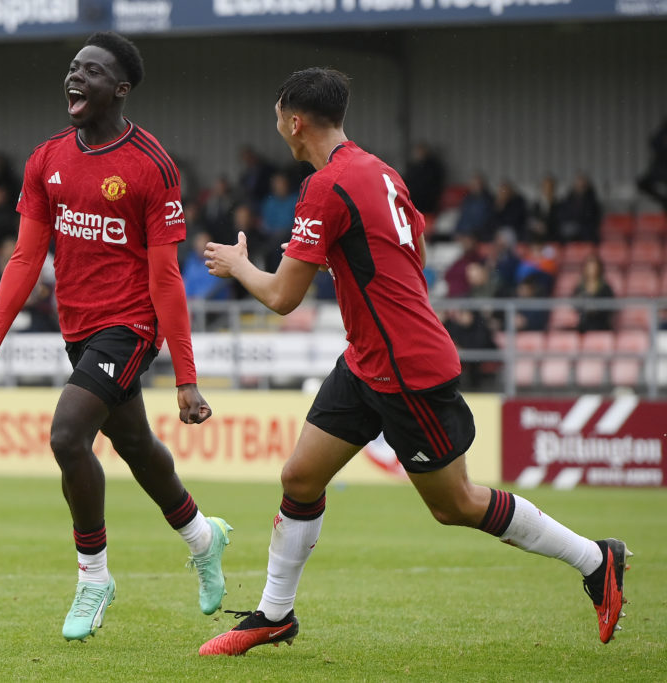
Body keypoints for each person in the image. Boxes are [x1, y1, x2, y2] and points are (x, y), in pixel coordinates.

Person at [198, 67, 629, 656]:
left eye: (278, 117)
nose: (277, 127)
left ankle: (594, 558)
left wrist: (236, 264)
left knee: (456, 505)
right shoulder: (380, 171)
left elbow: (280, 297)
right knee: (300, 476)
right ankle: (275, 614)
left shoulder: (324, 186)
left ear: (294, 122)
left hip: (406, 368)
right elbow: (409, 254)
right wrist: (344, 263)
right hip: (368, 359)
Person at [0, 32, 231, 642]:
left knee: (68, 436)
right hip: (77, 329)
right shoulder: (46, 159)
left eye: (93, 72)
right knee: (136, 446)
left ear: (120, 89)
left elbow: (166, 278)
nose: (76, 78)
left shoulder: (151, 166)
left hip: (130, 327)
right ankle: (204, 538)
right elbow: (24, 262)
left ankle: (93, 577)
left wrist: (186, 377)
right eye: (73, 68)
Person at [573, 253, 616, 333]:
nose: (592, 270)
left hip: (601, 325)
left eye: (594, 267)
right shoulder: (580, 287)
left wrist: (596, 308)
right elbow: (574, 304)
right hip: (584, 325)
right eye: (589, 267)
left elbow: (610, 306)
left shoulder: (605, 287)